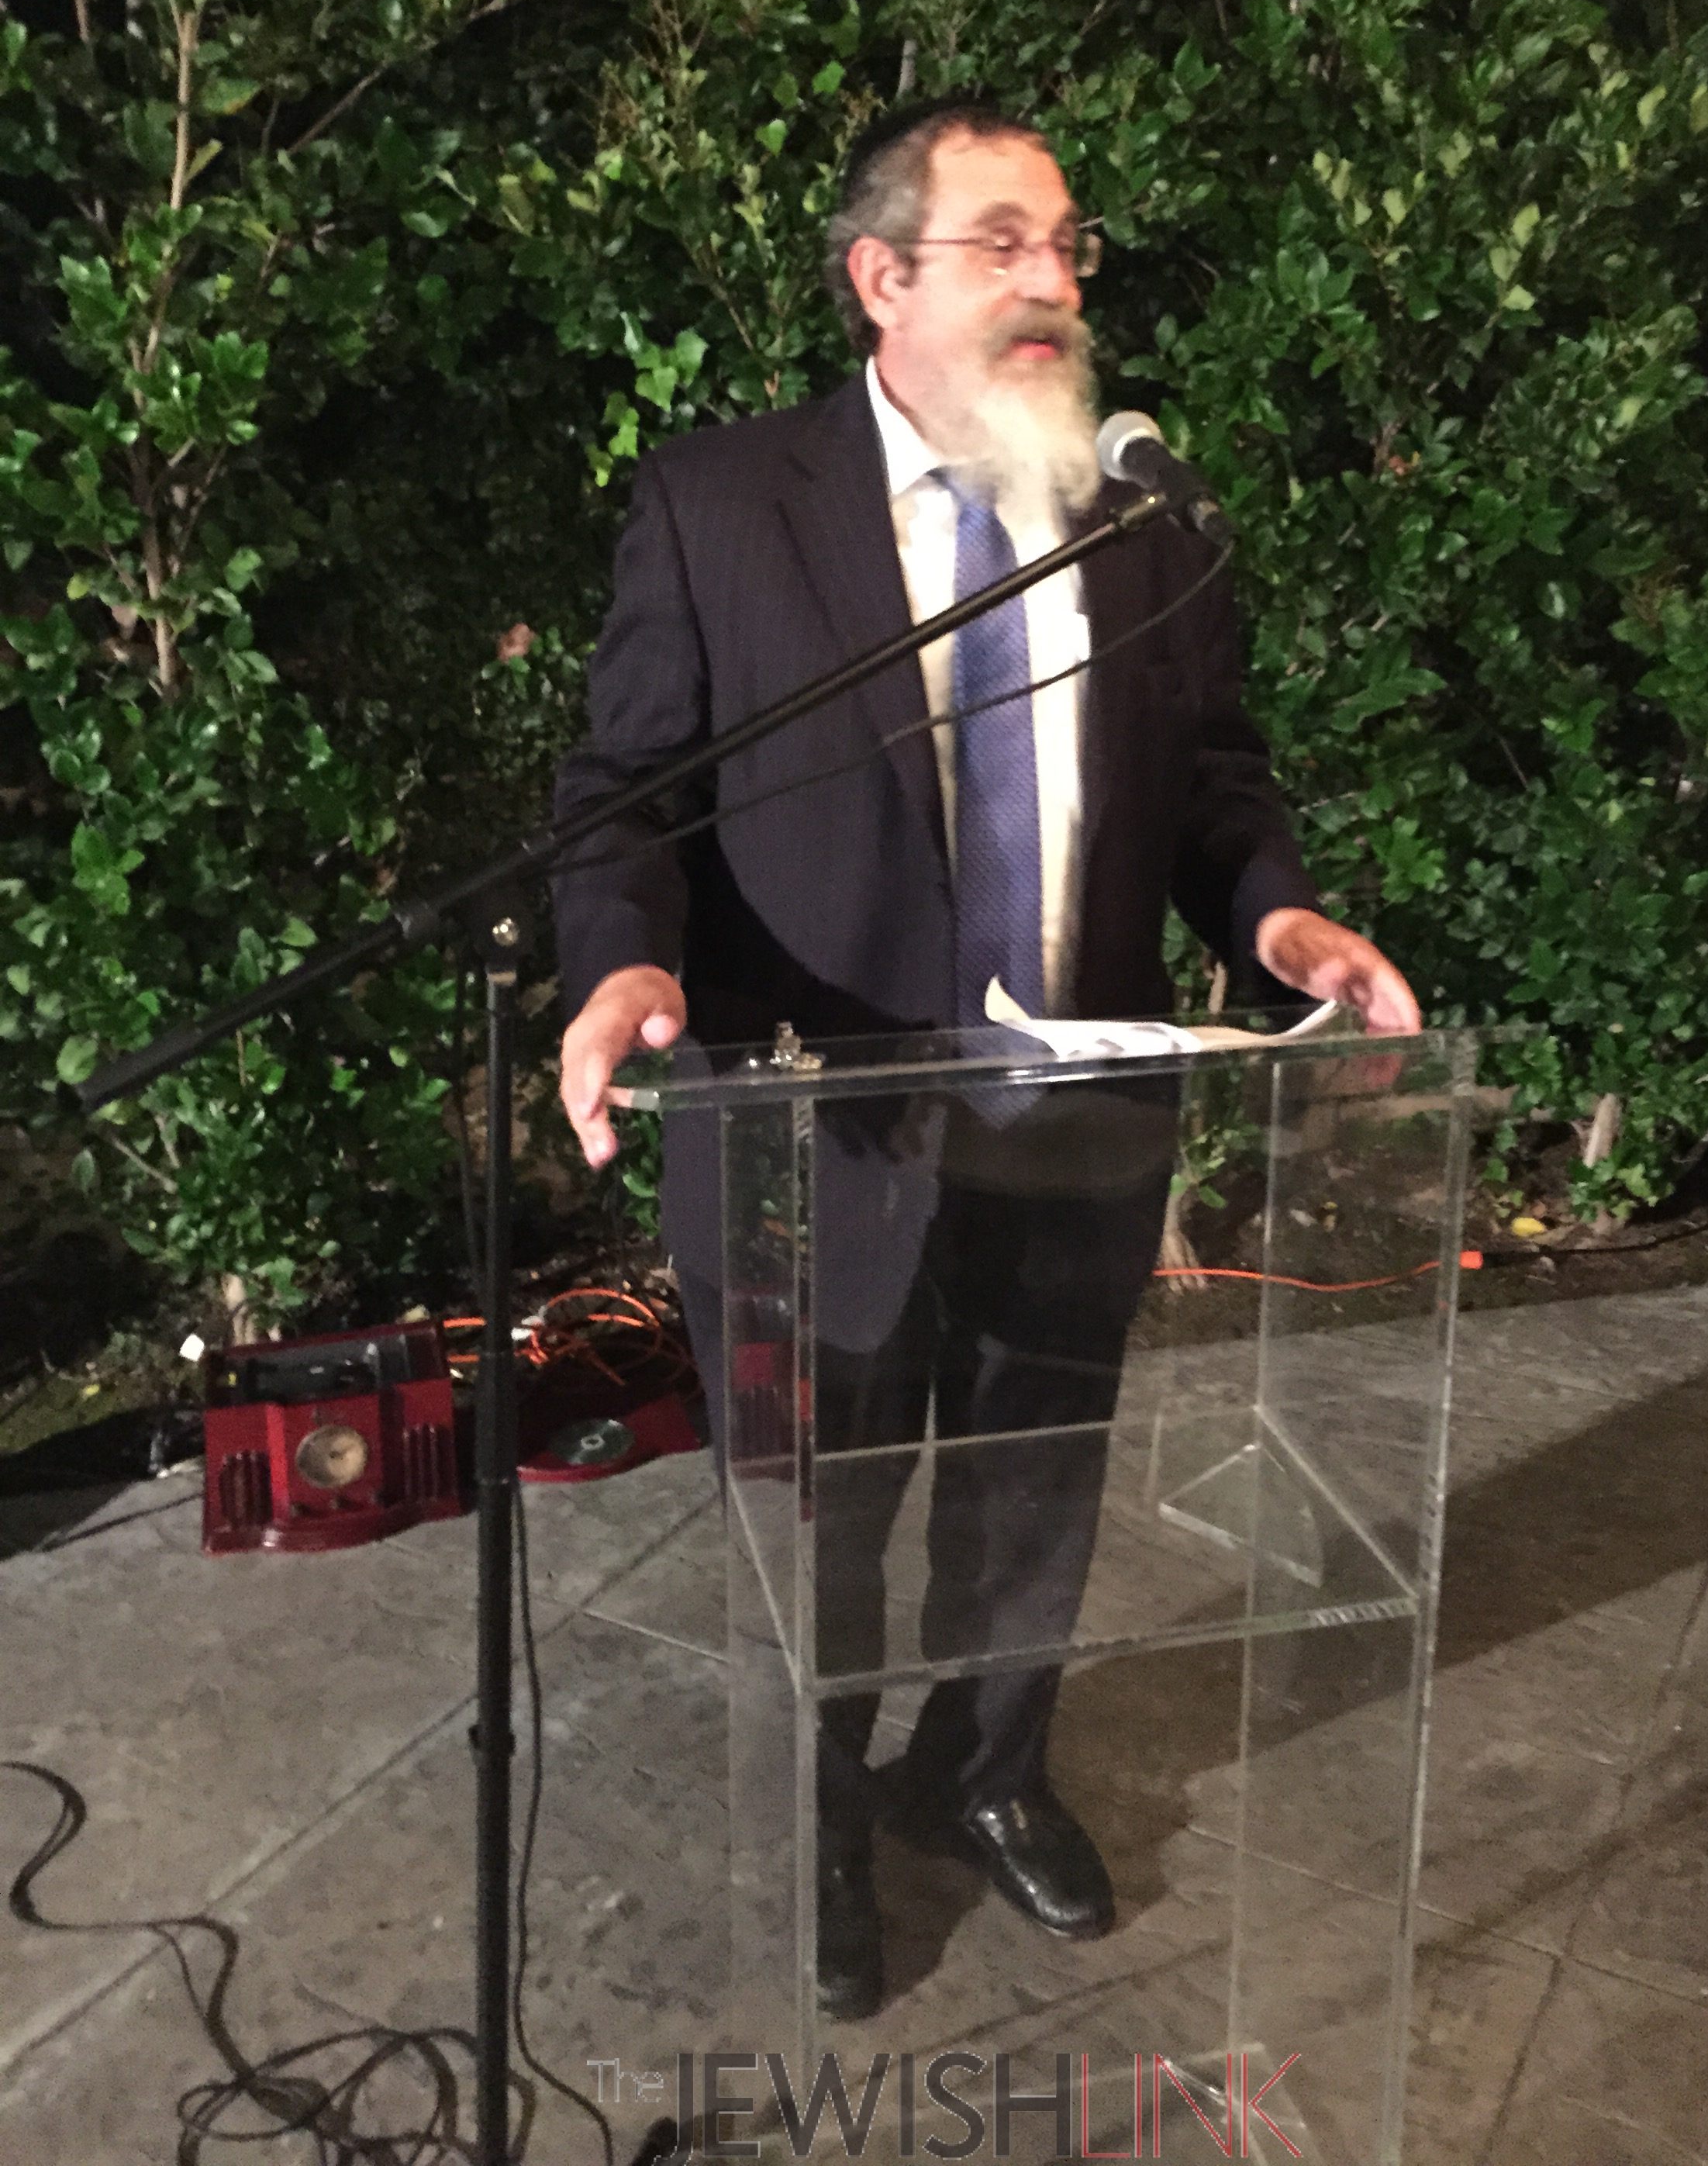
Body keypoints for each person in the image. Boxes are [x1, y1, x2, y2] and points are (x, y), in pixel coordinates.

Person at [554, 99, 1419, 2019]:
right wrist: (622, 969)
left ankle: (987, 1764)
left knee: (1036, 1476)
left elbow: (1212, 783)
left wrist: (1280, 921)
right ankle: (817, 1812)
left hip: (1077, 1116)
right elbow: (624, 793)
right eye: (1005, 242)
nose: (1056, 283)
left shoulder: (1138, 515)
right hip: (816, 1135)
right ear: (883, 277)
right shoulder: (723, 504)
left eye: (1068, 246)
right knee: (823, 1514)